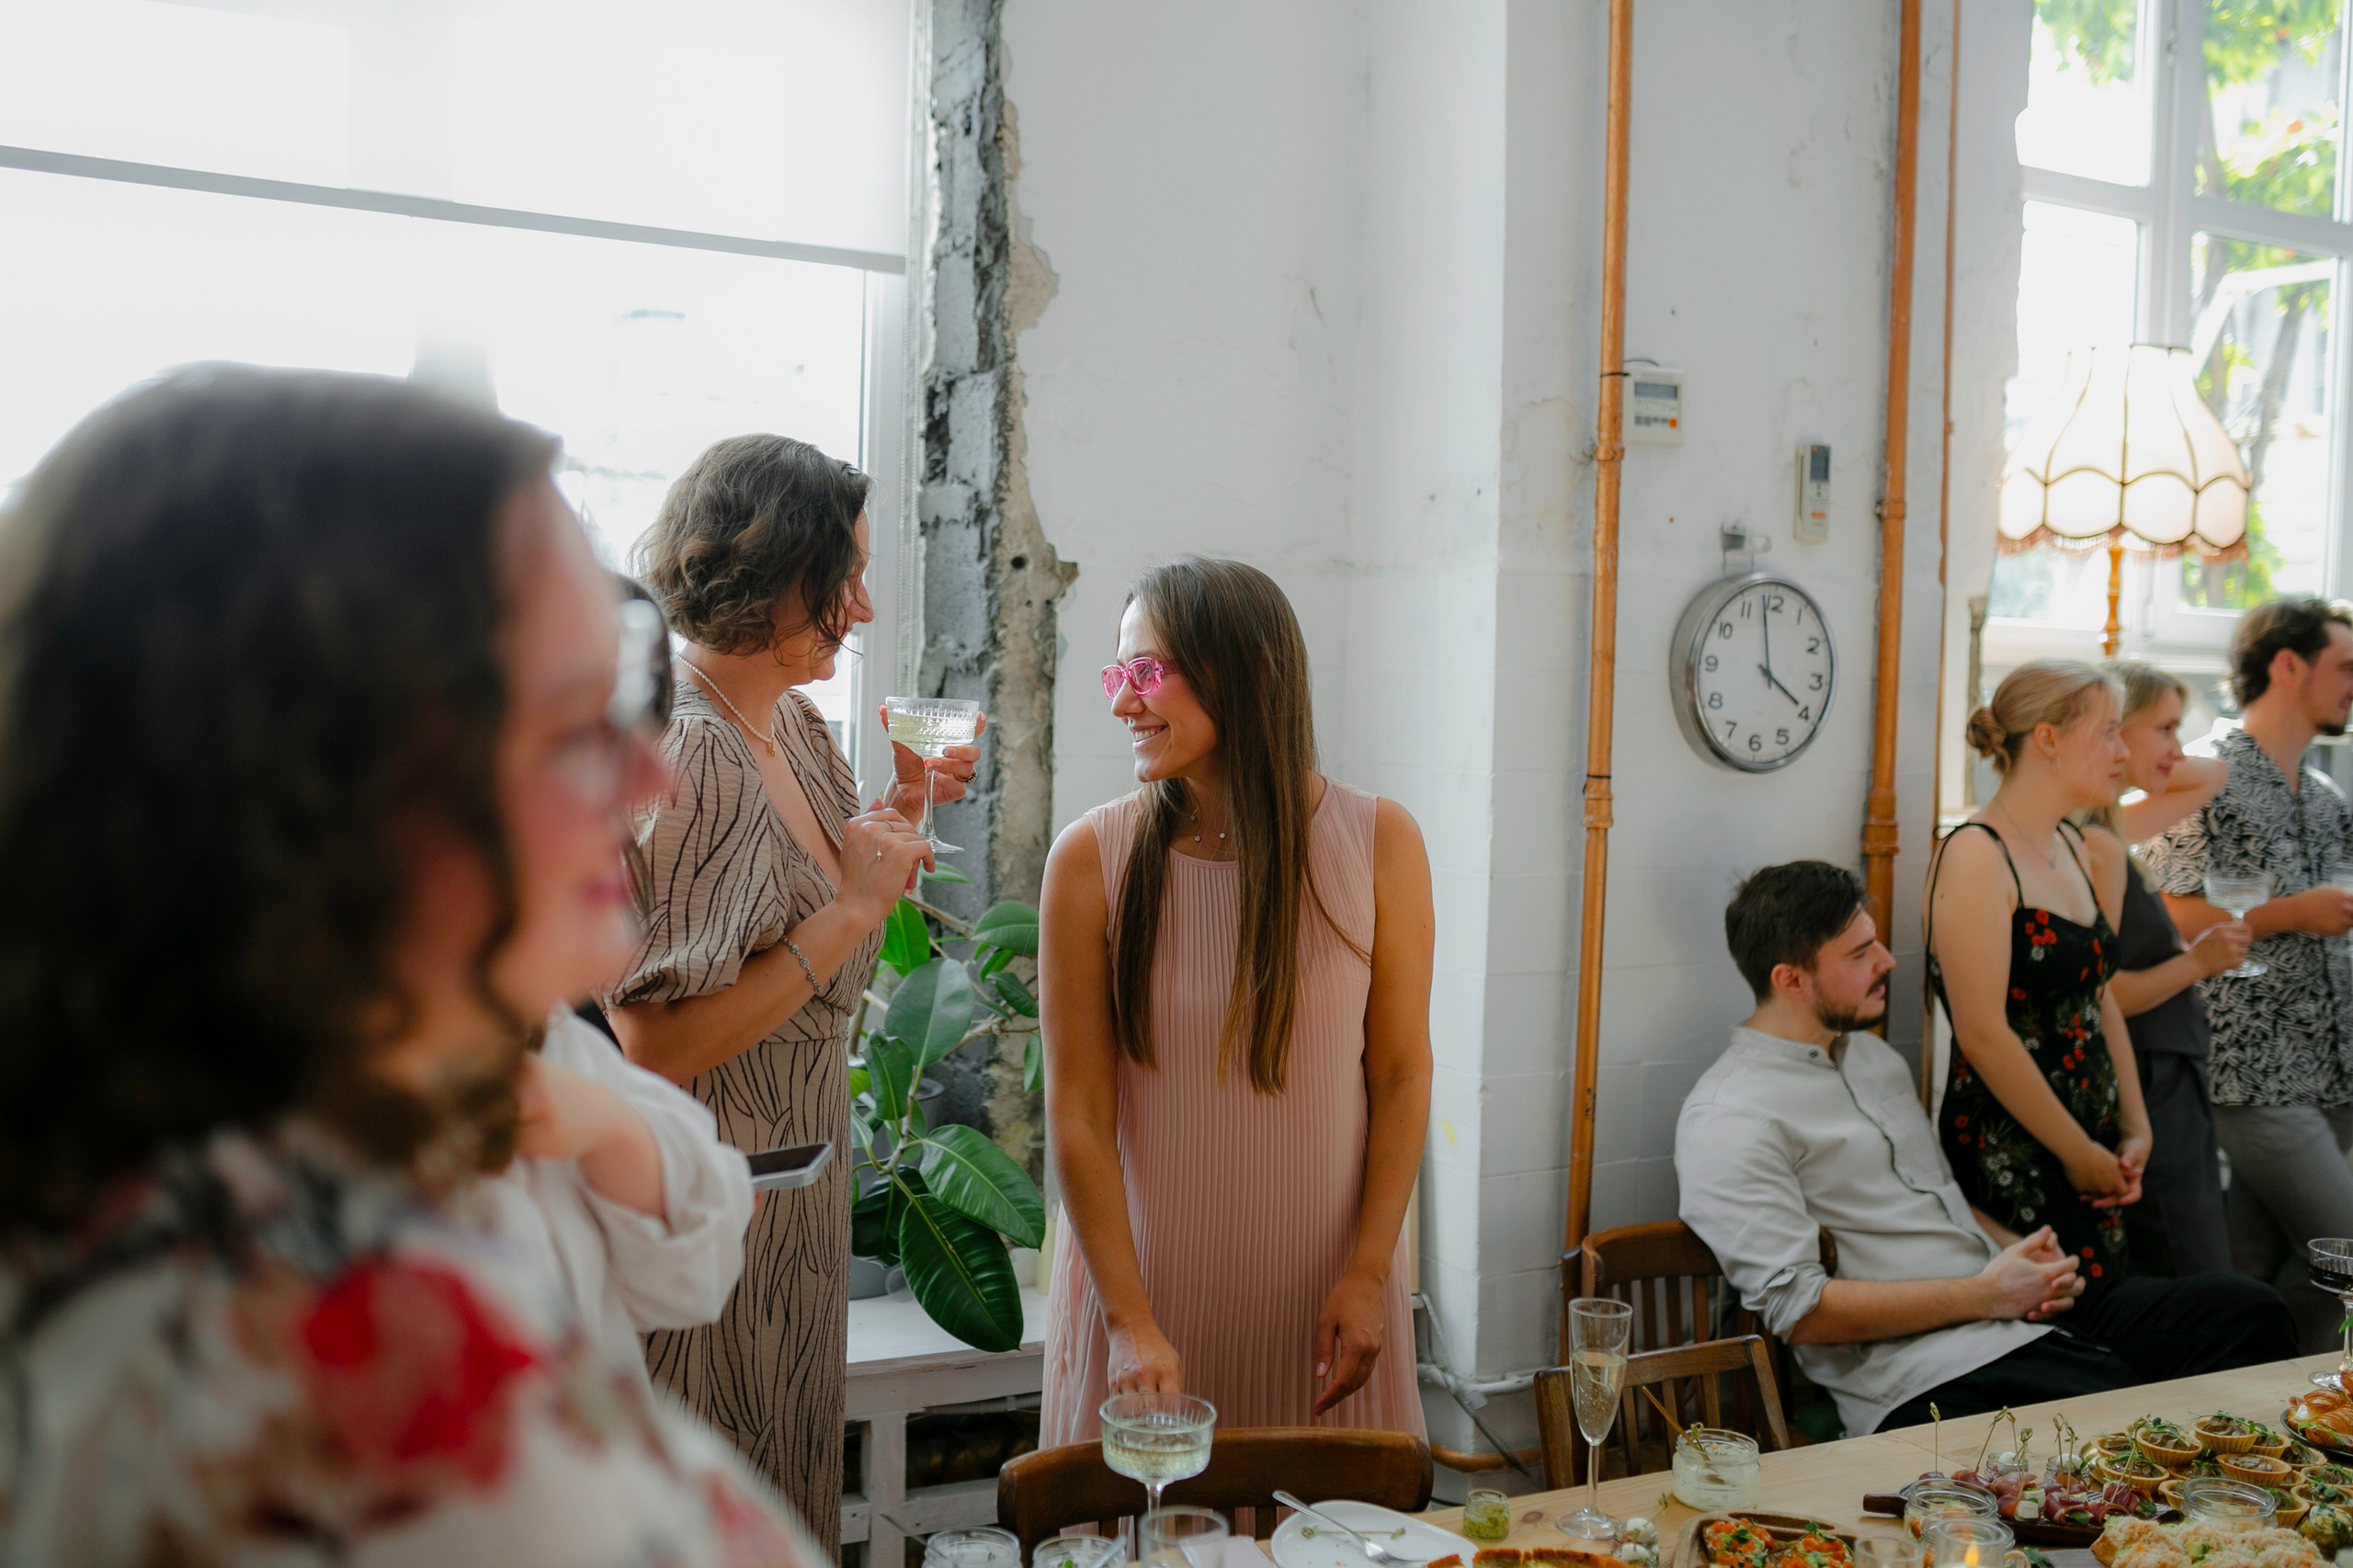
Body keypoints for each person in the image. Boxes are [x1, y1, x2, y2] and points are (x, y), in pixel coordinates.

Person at [0, 366, 814, 1565]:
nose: (655, 781)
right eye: (571, 725)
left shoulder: (110, 1208)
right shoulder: (391, 1376)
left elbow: (692, 1218)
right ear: (320, 789)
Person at [606, 433, 972, 1543]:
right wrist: (858, 907)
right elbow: (649, 1046)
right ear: (773, 573)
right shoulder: (696, 748)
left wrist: (904, 811)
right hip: (713, 1217)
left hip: (796, 1217)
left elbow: (823, 956)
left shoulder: (800, 730)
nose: (859, 608)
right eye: (843, 577)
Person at [1677, 861, 2294, 1437]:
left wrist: (2021, 1256)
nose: (1888, 962)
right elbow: (1802, 1312)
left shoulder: (1871, 1057)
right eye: (1861, 953)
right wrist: (1989, 1293)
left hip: (2011, 1310)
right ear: (1789, 979)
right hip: (1925, 1369)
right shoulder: (1731, 1115)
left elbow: (1939, 1200)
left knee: (2247, 1312)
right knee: (2127, 1409)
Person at [1037, 557, 1433, 1440]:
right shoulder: (1089, 861)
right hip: (1145, 1311)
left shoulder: (1380, 843)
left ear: (1248, 672)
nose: (1121, 703)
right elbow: (1078, 1114)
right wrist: (1128, 1321)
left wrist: (1371, 1274)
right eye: (1119, 673)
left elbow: (1403, 1075)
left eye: (1146, 673)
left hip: (1329, 1305)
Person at [2144, 597, 2353, 1350]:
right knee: (2343, 1252)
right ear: (2288, 665)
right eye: (2345, 666)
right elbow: (2163, 910)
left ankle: (2252, 1421)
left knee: (2255, 1268)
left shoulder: (2327, 797)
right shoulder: (2207, 774)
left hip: (2331, 1072)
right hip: (2252, 1070)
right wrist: (2290, 913)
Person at [1927, 660, 2150, 1291]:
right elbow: (1982, 1033)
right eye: (2108, 732)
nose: (2122, 751)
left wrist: (2135, 1125)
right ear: (2047, 739)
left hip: (2094, 1145)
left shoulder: (2081, 849)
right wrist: (2078, 1155)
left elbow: (2097, 999)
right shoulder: (1976, 854)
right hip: (2015, 1147)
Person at [2080, 662, 2247, 1278]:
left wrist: (2143, 751)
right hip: (2148, 1081)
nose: (2179, 750)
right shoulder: (2094, 845)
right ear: (2117, 730)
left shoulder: (2111, 824)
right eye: (2168, 729)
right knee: (2194, 1270)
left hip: (2172, 1075)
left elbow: (2214, 776)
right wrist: (2196, 963)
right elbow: (2101, 995)